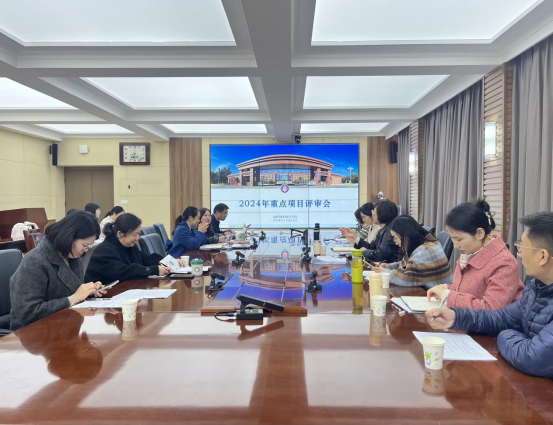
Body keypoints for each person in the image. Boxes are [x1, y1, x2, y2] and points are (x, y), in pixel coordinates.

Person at [427, 211, 553, 380]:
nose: (519, 253)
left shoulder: (504, 263)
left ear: (542, 256)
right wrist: (456, 317)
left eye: (522, 246)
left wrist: (505, 333)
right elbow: (503, 317)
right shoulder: (537, 287)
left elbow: (531, 358)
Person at [10, 211, 105, 331]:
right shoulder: (35, 260)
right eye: (84, 245)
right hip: (34, 332)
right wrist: (74, 298)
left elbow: (73, 291)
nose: (85, 250)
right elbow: (26, 313)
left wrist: (89, 291)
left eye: (89, 246)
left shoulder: (75, 259)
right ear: (70, 236)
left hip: (66, 325)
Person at [427, 199, 523, 309]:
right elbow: (468, 291)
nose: (455, 245)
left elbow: (491, 309)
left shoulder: (504, 263)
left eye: (459, 239)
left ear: (479, 233)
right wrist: (448, 289)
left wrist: (448, 296)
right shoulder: (470, 252)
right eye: (452, 239)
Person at [85, 213, 171, 283]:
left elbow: (146, 259)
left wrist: (169, 262)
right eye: (134, 235)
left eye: (138, 234)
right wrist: (154, 270)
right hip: (100, 296)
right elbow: (124, 272)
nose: (137, 238)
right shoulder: (105, 251)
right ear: (119, 234)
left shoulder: (128, 245)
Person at [373, 215, 452, 288]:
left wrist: (384, 272)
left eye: (395, 238)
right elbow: (409, 264)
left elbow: (406, 278)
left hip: (435, 295)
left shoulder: (424, 251)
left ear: (405, 235)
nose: (395, 242)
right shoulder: (425, 243)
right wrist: (390, 266)